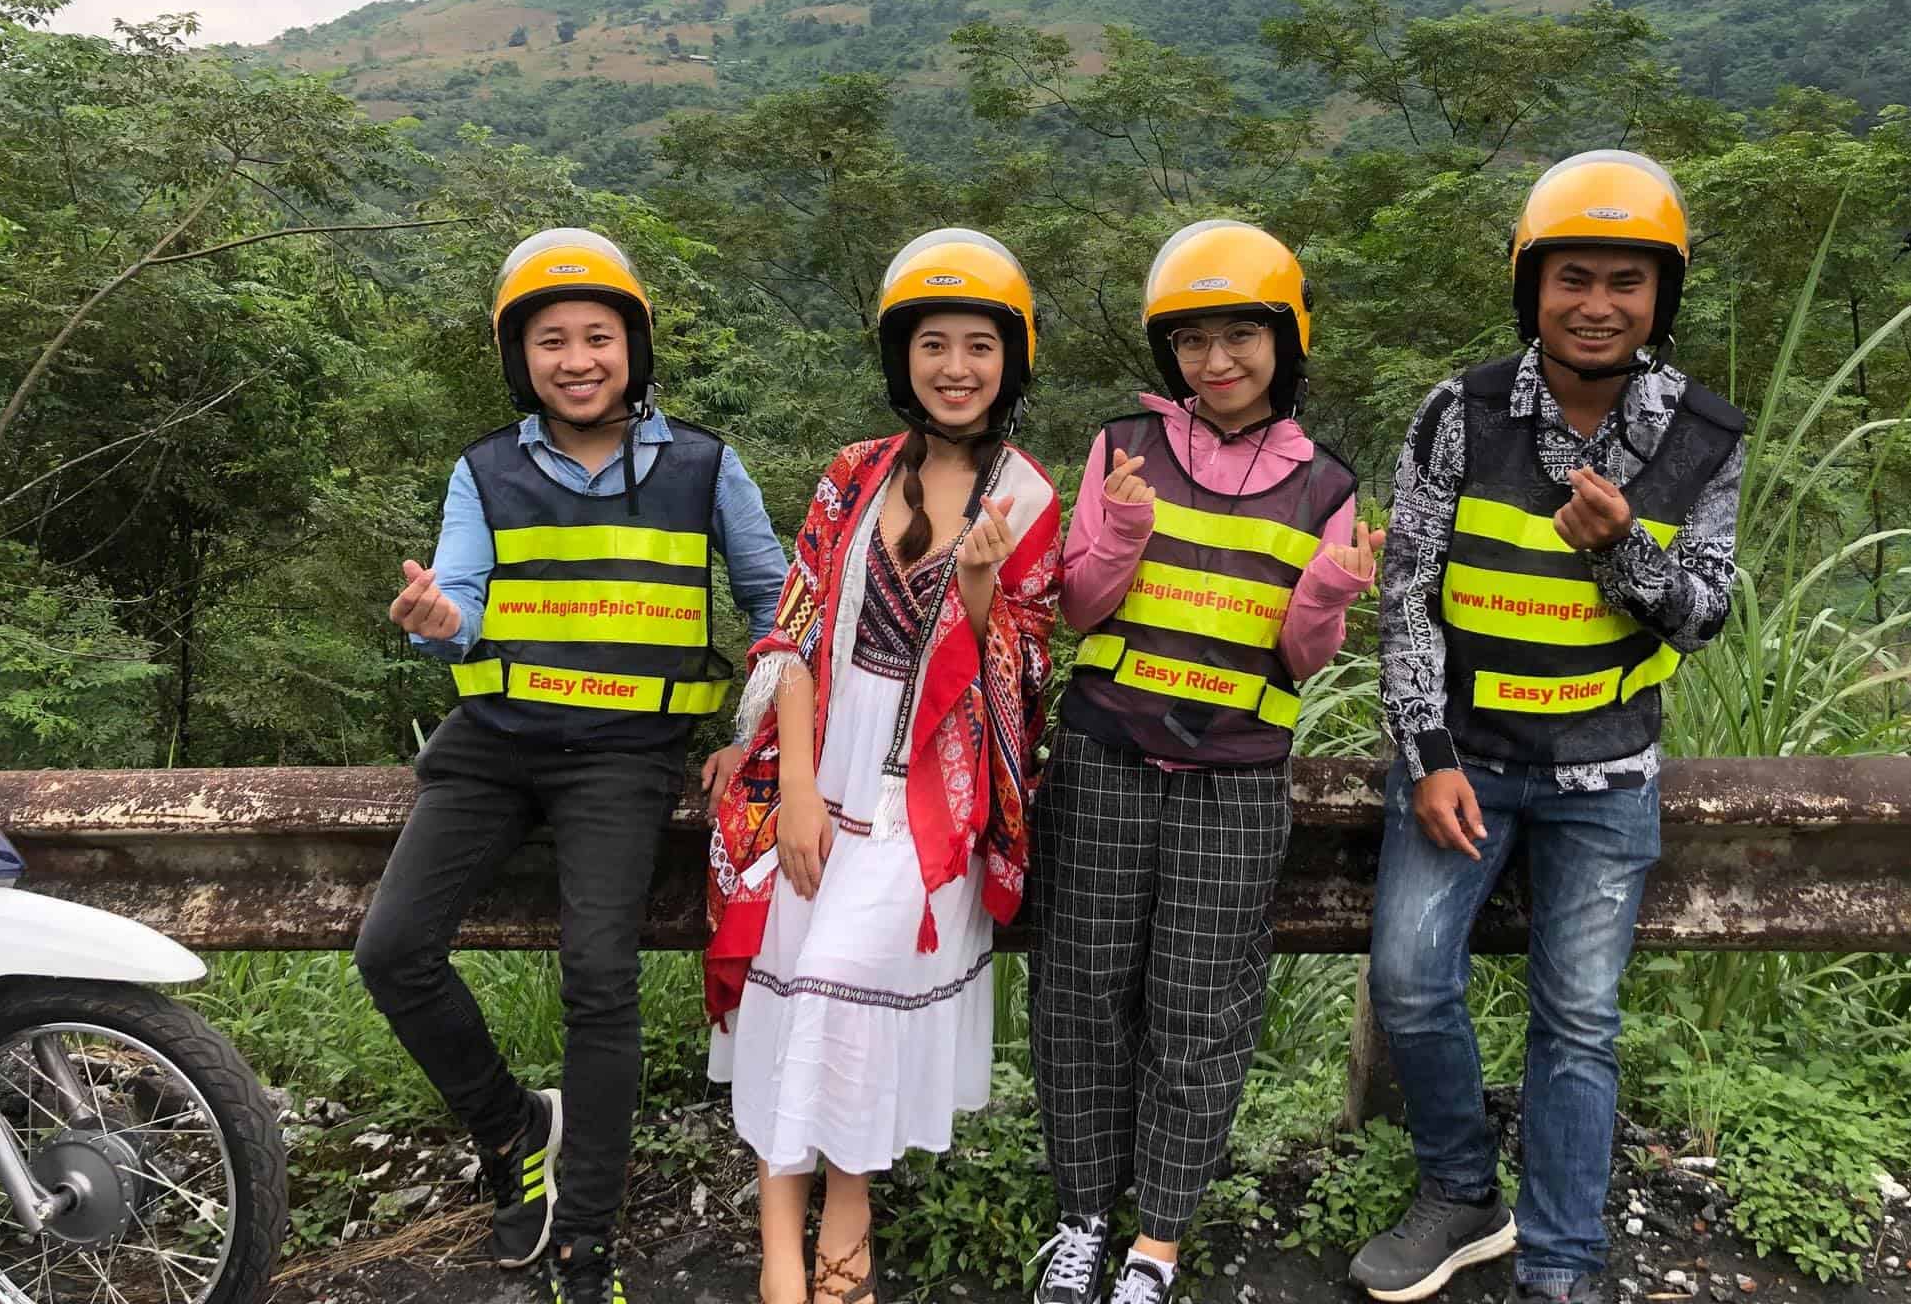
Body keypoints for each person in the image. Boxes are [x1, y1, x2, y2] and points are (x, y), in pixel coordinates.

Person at [357, 228, 787, 1304]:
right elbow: (458, 605)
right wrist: (438, 622)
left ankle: (587, 1227)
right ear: (521, 357)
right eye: (551, 340)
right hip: (491, 746)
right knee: (393, 950)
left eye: (598, 335)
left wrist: (759, 731)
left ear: (633, 347)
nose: (577, 358)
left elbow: (774, 606)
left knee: (599, 979)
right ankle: (512, 1128)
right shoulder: (484, 470)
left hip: (625, 756)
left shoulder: (705, 464)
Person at [1351, 152, 1745, 1304]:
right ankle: (1460, 1194)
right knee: (1407, 978)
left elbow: (1703, 613)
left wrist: (1620, 549)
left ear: (1660, 296)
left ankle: (1562, 1261)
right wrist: (1425, 757)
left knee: (1577, 1018)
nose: (1596, 304)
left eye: (1626, 281)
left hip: (1605, 773)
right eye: (1572, 277)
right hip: (1463, 763)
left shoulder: (1702, 435)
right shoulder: (1459, 414)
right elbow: (1407, 596)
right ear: (1532, 285)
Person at [704, 229, 1063, 1304]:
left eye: (979, 346)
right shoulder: (853, 472)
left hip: (931, 793)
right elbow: (794, 630)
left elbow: (1020, 671)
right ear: (902, 356)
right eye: (933, 344)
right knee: (789, 987)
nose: (956, 367)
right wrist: (796, 791)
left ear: (1010, 361)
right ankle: (785, 1242)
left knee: (844, 988)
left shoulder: (1029, 497)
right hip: (824, 762)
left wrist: (982, 587)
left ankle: (847, 1216)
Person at [1029, 221, 1380, 1304]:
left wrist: (1328, 594)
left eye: (1240, 336)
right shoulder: (1122, 445)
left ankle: (1158, 1241)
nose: (1215, 360)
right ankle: (1083, 1217)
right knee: (1082, 992)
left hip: (1235, 775)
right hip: (1106, 753)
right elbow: (1078, 606)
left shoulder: (1327, 485)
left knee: (1198, 1007)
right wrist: (1121, 532)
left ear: (1285, 341)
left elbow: (1301, 656)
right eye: (1191, 340)